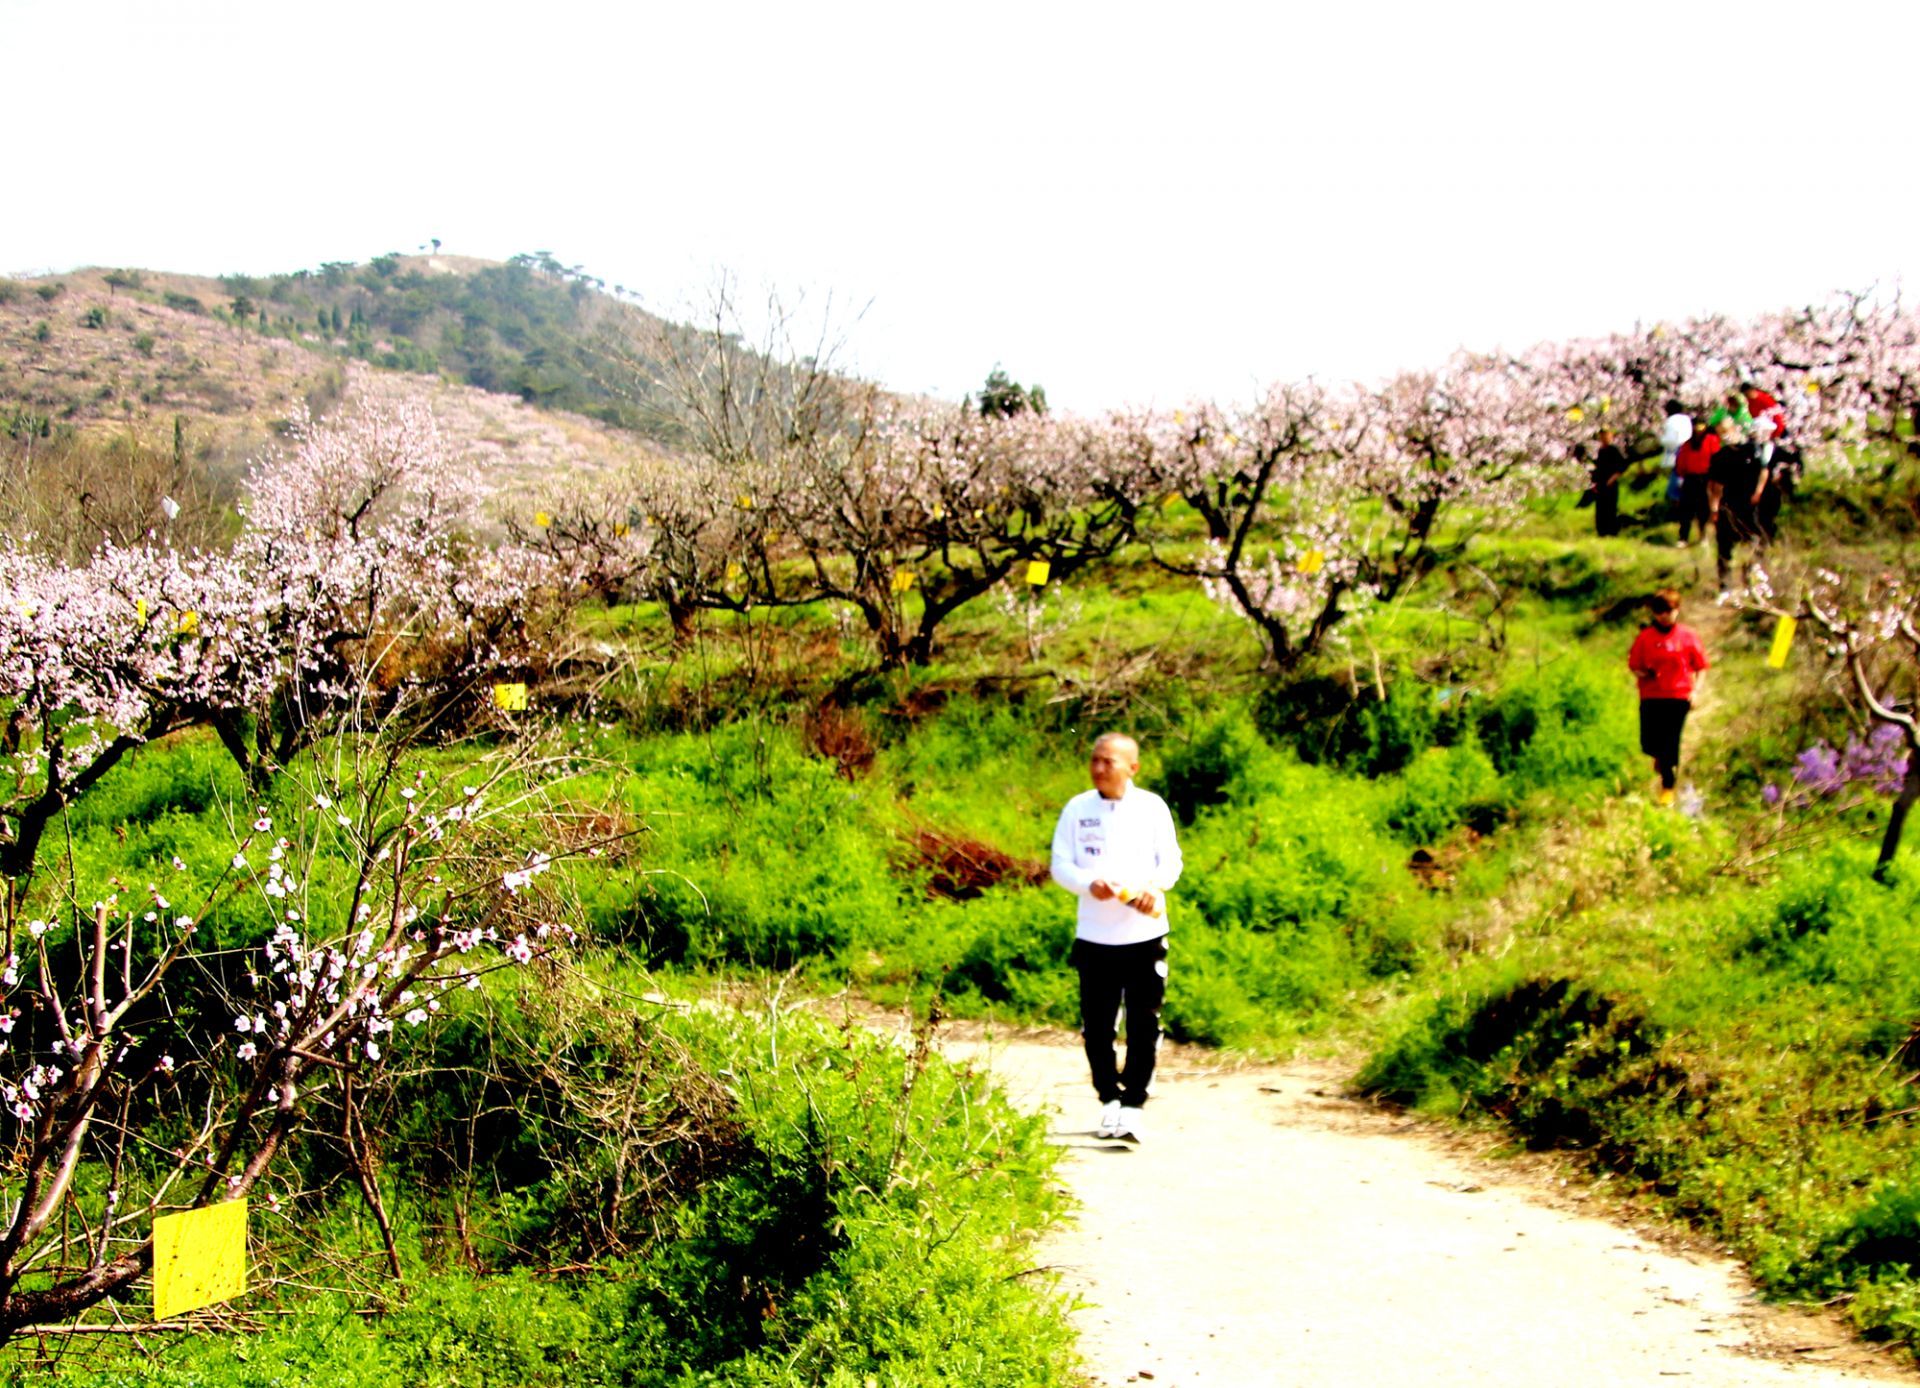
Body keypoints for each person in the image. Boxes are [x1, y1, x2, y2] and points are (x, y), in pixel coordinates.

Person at [1050, 732, 1183, 1143]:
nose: (1099, 767)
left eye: (1108, 761)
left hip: (1144, 934)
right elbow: (1061, 865)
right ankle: (1109, 1099)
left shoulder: (1151, 808)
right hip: (1094, 937)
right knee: (1098, 1026)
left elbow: (1171, 863)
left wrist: (1153, 887)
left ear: (1133, 768)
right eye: (1095, 759)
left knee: (1144, 1023)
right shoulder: (1077, 809)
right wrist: (1090, 885)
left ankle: (1133, 1106)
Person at [1627, 589, 1709, 807]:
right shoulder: (1645, 638)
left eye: (1669, 610)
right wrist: (1644, 674)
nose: (1664, 615)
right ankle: (1658, 757)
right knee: (1649, 742)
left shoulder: (1688, 636)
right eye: (1659, 611)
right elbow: (1634, 665)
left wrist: (1696, 692)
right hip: (1652, 695)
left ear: (1677, 610)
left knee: (1671, 742)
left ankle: (1668, 787)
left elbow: (1701, 667)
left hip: (1678, 696)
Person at [1706, 419, 1772, 595]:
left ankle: (1751, 581)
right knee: (1725, 548)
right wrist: (1714, 509)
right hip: (1727, 506)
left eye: (1728, 430)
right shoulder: (1720, 456)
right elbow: (1715, 486)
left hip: (1748, 506)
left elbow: (1764, 470)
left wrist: (1758, 492)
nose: (1726, 435)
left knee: (1754, 542)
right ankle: (1725, 587)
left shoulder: (1751, 451)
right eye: (1722, 432)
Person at [1672, 419, 1720, 546]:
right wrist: (1681, 475)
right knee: (1686, 508)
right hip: (1690, 478)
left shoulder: (1711, 441)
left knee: (1703, 509)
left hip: (1706, 478)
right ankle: (1683, 537)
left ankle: (1702, 535)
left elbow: (1716, 458)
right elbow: (1681, 462)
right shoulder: (1687, 445)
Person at [1590, 428, 1629, 537]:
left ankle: (1611, 532)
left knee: (1610, 509)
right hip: (1600, 483)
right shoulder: (1599, 451)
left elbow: (1622, 466)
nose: (1604, 438)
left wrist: (1612, 479)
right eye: (1602, 436)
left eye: (1606, 435)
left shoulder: (1614, 450)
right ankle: (1601, 532)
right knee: (1600, 509)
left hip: (1611, 484)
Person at [1657, 399, 1692, 474]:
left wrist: (1661, 440)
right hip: (1688, 450)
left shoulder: (1671, 420)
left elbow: (1670, 440)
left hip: (1676, 453)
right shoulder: (1687, 419)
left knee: (1675, 479)